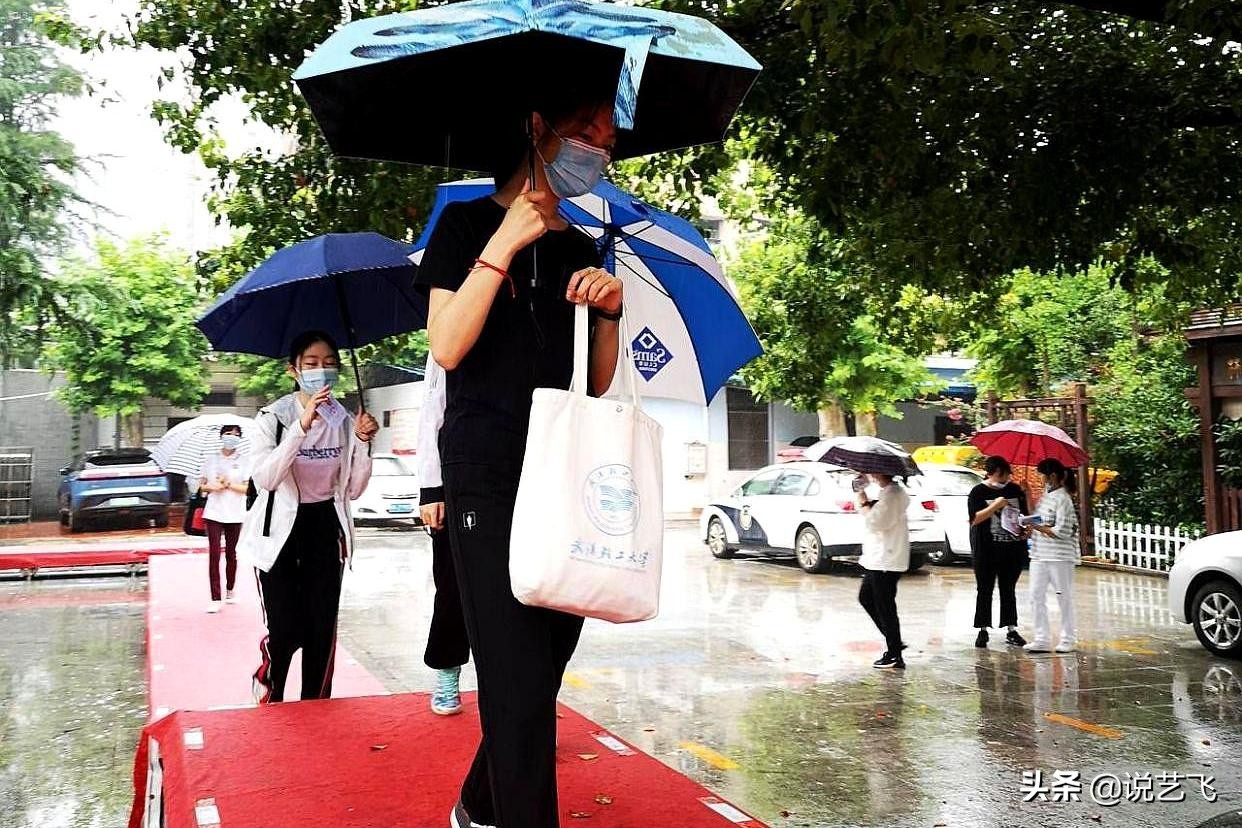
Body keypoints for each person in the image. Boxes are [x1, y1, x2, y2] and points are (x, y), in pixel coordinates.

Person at [416, 92, 623, 828]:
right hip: (486, 475)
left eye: (606, 139)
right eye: (583, 133)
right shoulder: (465, 224)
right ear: (538, 128)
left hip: (562, 476)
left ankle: (477, 802)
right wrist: (502, 243)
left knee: (538, 669)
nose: (598, 151)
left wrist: (608, 312)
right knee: (511, 674)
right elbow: (446, 345)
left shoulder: (581, 246)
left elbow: (594, 381)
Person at [238, 330, 378, 703]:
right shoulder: (272, 419)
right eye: (312, 365)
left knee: (320, 628)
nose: (322, 372)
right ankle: (273, 687)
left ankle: (316, 705)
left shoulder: (345, 421)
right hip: (279, 533)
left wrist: (364, 443)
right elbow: (266, 477)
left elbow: (352, 489)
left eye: (330, 364)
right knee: (285, 627)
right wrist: (302, 426)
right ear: (293, 370)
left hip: (323, 528)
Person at [417, 353, 470, 716]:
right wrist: (431, 489)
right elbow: (432, 412)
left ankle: (520, 691)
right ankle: (447, 670)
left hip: (526, 470)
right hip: (458, 479)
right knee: (453, 586)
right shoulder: (452, 332)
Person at [968, 456, 1030, 648]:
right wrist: (995, 505)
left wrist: (1026, 528)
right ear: (992, 472)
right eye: (1002, 474)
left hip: (1011, 549)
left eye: (1007, 474)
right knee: (984, 590)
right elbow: (974, 519)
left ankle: (1011, 629)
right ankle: (982, 629)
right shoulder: (978, 492)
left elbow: (1024, 516)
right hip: (986, 550)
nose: (1006, 478)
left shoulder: (1015, 490)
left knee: (1008, 589)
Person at [1025, 458, 1080, 653]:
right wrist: (1027, 496)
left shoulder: (1063, 498)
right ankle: (1041, 638)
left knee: (1062, 596)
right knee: (1035, 595)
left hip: (1060, 556)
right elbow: (1038, 518)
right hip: (1039, 554)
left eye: (1042, 475)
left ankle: (1068, 638)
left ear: (1052, 476)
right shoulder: (1046, 496)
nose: (1040, 479)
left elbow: (1062, 530)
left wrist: (1037, 527)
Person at [857, 472, 911, 670]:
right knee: (866, 598)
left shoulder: (892, 494)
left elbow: (875, 523)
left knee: (885, 607)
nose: (870, 474)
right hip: (878, 559)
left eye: (873, 471)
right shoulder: (888, 493)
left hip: (885, 561)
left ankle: (895, 654)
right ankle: (894, 642)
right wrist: (865, 499)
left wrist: (863, 502)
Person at [198, 423, 249, 613]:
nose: (231, 437)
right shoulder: (210, 460)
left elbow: (247, 489)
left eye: (236, 434)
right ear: (221, 436)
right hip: (214, 512)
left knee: (231, 554)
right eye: (228, 433)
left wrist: (229, 485)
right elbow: (201, 486)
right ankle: (214, 597)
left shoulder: (244, 461)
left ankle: (230, 589)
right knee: (214, 554)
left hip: (235, 512)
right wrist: (213, 486)